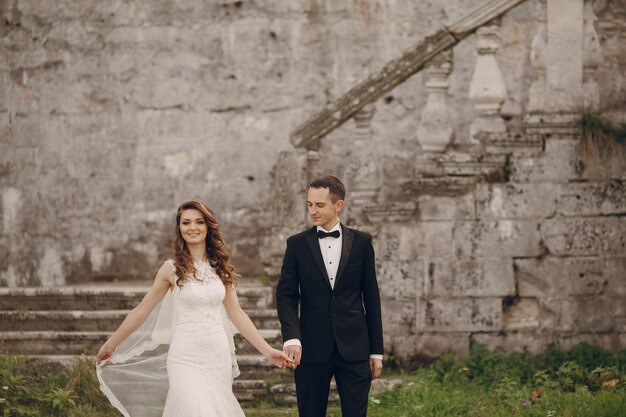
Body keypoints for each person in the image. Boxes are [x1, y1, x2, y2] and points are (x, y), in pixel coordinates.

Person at [96, 199, 291, 417]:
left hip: (217, 356)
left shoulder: (220, 268)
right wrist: (112, 343)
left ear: (208, 227)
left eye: (199, 222)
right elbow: (142, 310)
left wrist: (268, 351)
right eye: (186, 223)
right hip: (185, 357)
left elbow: (237, 314)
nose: (193, 228)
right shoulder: (170, 269)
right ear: (179, 228)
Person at [276, 175, 384, 417]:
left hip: (355, 348)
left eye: (319, 205)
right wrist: (291, 337)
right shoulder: (296, 245)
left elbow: (372, 298)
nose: (312, 211)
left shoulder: (362, 243)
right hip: (311, 348)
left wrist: (376, 351)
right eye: (309, 204)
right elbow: (286, 295)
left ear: (339, 205)